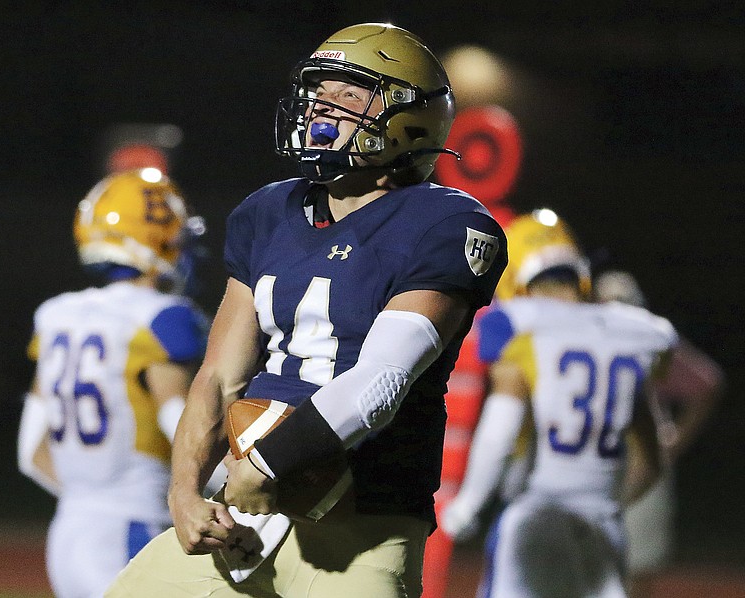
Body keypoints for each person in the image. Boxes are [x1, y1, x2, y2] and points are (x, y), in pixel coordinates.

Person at [106, 22, 508, 598]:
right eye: (320, 90)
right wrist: (185, 494)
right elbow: (219, 377)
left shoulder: (446, 225)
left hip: (361, 523)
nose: (323, 105)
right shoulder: (268, 212)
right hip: (243, 510)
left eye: (349, 93)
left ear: (406, 118)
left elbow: (381, 380)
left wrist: (267, 463)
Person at [440, 209, 678, 597]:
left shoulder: (521, 326)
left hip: (537, 516)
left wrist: (467, 505)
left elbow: (500, 433)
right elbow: (652, 461)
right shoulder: (633, 334)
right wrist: (606, 505)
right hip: (602, 524)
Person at [17, 168, 209, 598]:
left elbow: (31, 454)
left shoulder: (56, 316)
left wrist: (93, 496)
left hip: (69, 531)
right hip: (133, 526)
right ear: (157, 237)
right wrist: (221, 490)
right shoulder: (162, 316)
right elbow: (177, 416)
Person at [594, 270, 725, 598]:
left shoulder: (652, 339)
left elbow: (707, 383)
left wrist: (675, 440)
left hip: (639, 451)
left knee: (638, 560)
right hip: (592, 454)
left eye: (623, 304)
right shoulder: (584, 336)